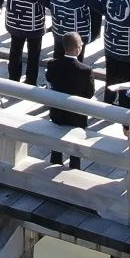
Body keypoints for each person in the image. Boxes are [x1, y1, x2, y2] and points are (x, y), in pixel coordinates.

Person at [44, 32, 96, 169]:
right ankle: (74, 169)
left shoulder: (53, 64)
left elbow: (49, 79)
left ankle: (54, 163)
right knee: (75, 150)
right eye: (80, 44)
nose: (81, 46)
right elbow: (89, 93)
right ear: (76, 49)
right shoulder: (86, 70)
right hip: (77, 117)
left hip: (57, 114)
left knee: (56, 145)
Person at [3, 0, 51, 85]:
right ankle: (30, 81)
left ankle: (13, 79)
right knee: (33, 55)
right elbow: (46, 1)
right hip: (32, 23)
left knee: (15, 51)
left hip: (14, 19)